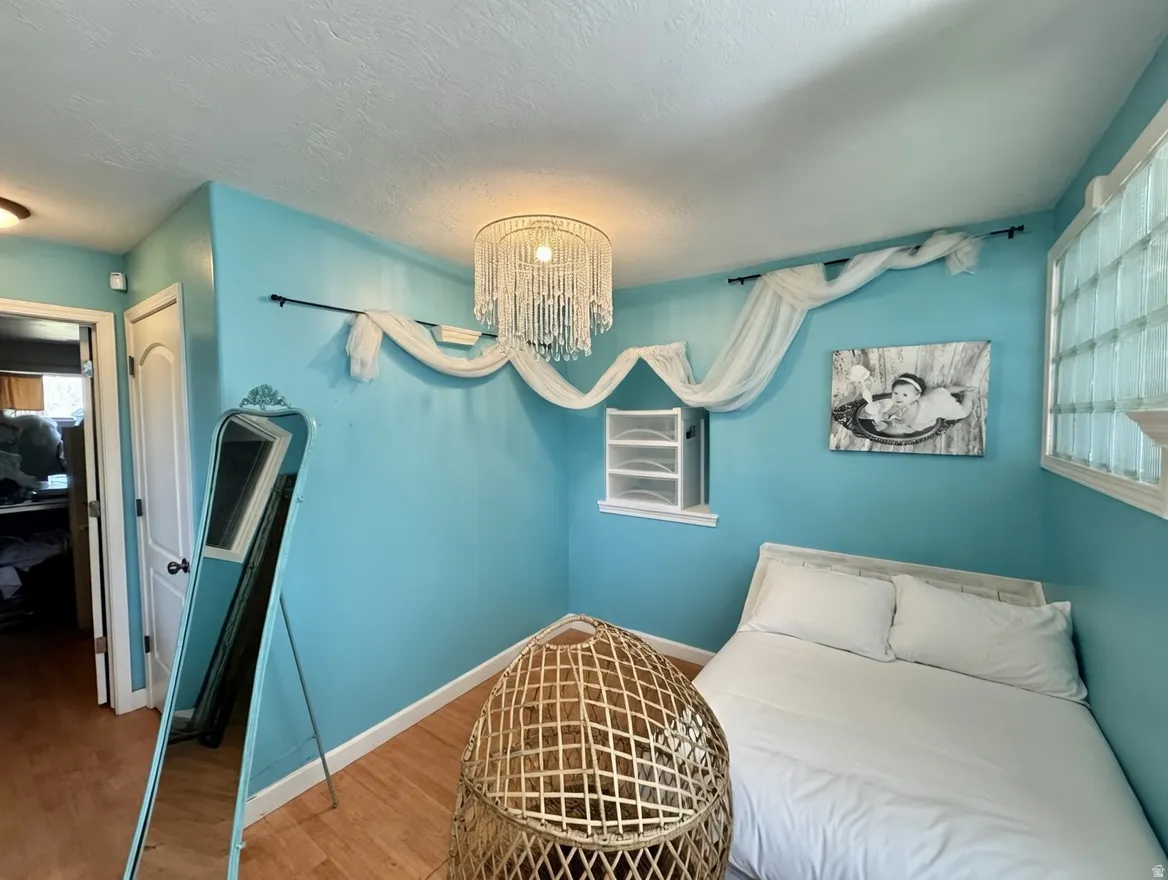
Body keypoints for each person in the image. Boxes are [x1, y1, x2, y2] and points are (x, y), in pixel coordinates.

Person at [862, 373, 977, 435]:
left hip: (933, 409)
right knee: (942, 391)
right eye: (895, 393)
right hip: (929, 402)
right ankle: (962, 389)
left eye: (904, 395)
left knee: (963, 412)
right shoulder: (902, 402)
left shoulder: (911, 414)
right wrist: (887, 413)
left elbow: (909, 429)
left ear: (917, 396)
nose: (898, 398)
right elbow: (896, 406)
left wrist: (887, 427)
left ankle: (968, 393)